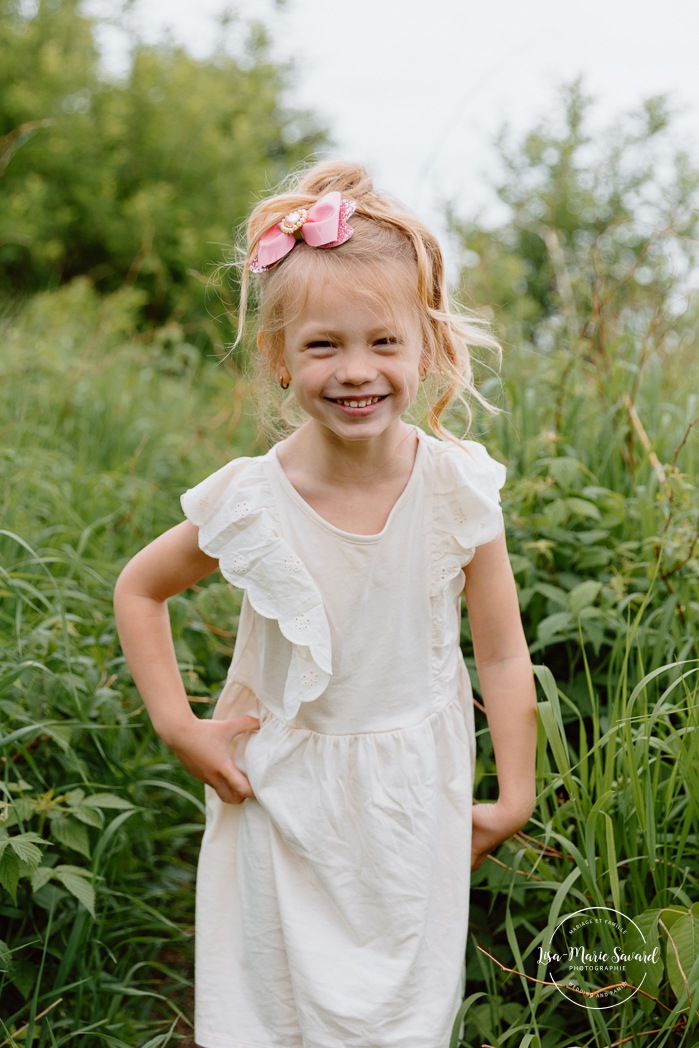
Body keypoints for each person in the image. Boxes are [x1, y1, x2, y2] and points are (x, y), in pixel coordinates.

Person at [114, 161, 538, 1048]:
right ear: (277, 357)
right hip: (280, 791)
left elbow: (500, 654)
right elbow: (139, 588)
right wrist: (177, 724)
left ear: (426, 348)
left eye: (383, 343)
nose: (356, 372)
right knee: (266, 1010)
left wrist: (514, 797)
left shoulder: (457, 489)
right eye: (322, 346)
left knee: (403, 1016)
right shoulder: (249, 499)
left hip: (411, 791)